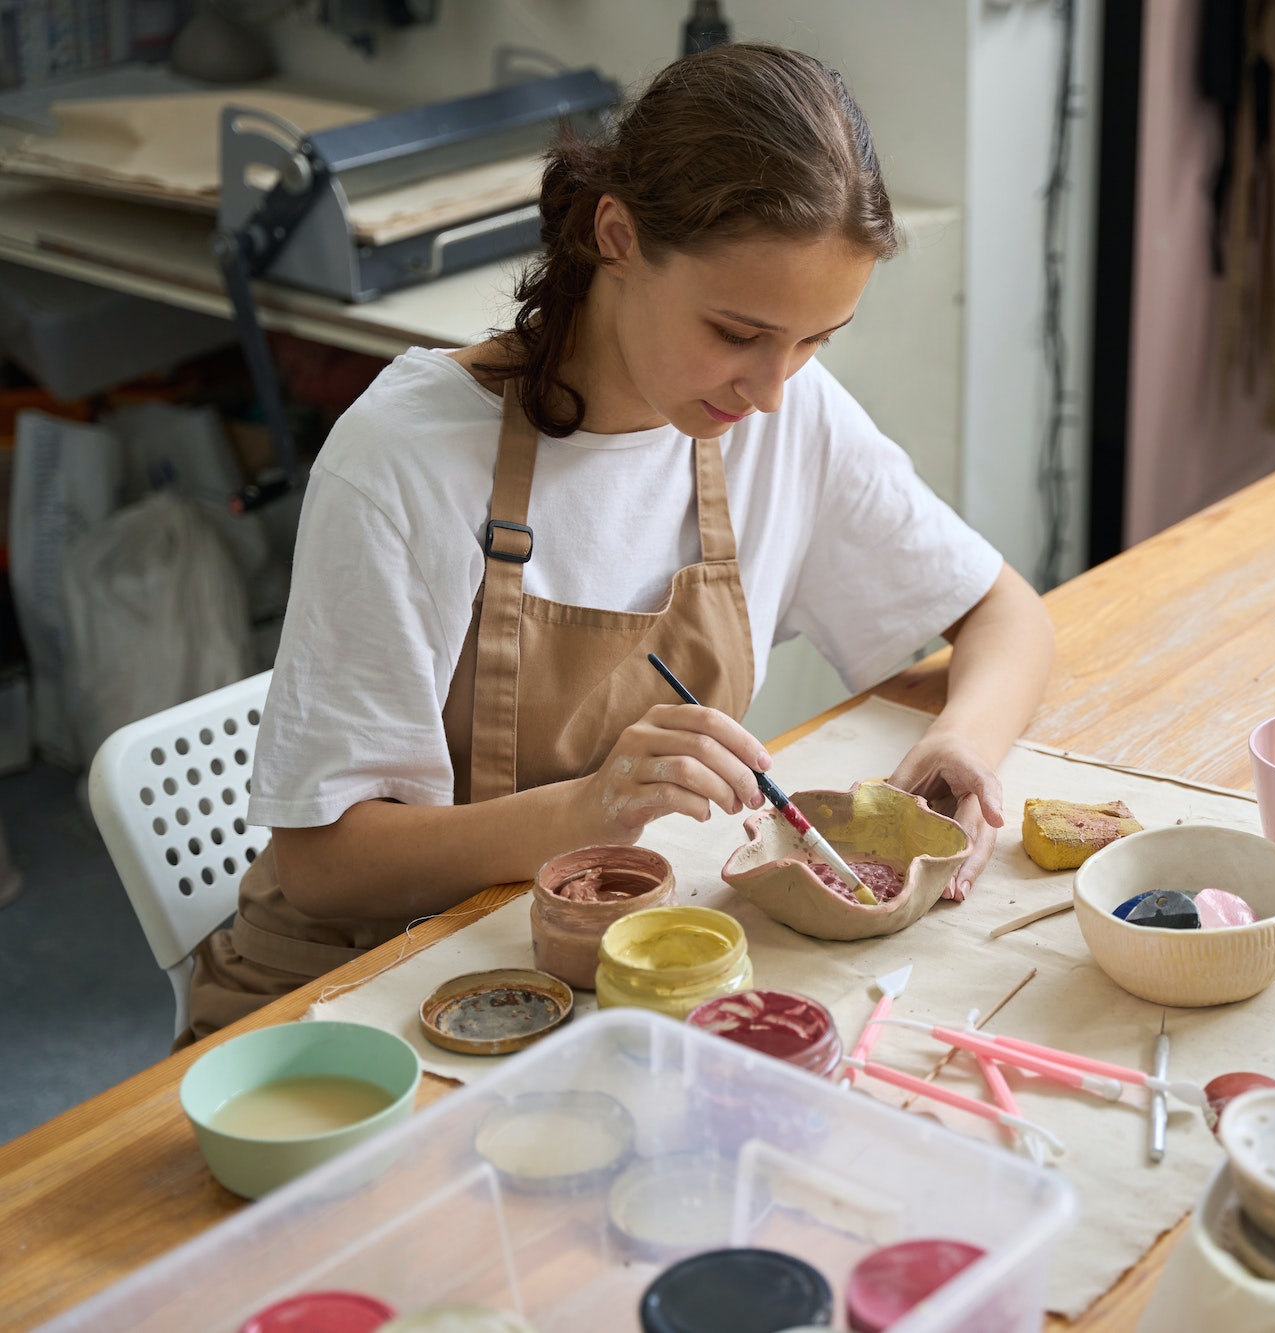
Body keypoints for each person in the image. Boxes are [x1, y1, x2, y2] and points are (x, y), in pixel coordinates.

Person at [182, 44, 1054, 1042]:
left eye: (816, 340)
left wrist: (959, 742)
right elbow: (326, 864)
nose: (771, 387)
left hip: (589, 965)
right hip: (362, 983)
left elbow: (1004, 615)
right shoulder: (405, 458)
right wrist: (587, 810)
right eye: (735, 331)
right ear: (616, 236)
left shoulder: (779, 412)